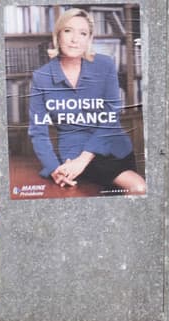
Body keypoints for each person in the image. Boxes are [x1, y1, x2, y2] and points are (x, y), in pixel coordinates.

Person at [28, 8, 146, 195]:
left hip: (111, 147)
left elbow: (110, 117)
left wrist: (83, 159)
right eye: (68, 31)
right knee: (136, 189)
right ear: (57, 35)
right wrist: (54, 169)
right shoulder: (41, 77)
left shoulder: (105, 65)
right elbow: (38, 132)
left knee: (136, 191)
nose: (75, 39)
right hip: (73, 155)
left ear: (89, 39)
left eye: (82, 33)